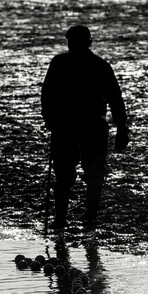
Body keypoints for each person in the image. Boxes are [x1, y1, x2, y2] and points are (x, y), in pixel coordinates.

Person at [40, 24, 129, 234]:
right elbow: (47, 94)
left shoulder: (93, 66)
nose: (75, 46)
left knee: (89, 173)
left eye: (77, 43)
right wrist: (49, 118)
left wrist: (122, 128)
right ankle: (69, 218)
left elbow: (115, 100)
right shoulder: (67, 64)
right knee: (69, 173)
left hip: (87, 126)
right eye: (73, 43)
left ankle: (80, 218)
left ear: (87, 43)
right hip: (70, 126)